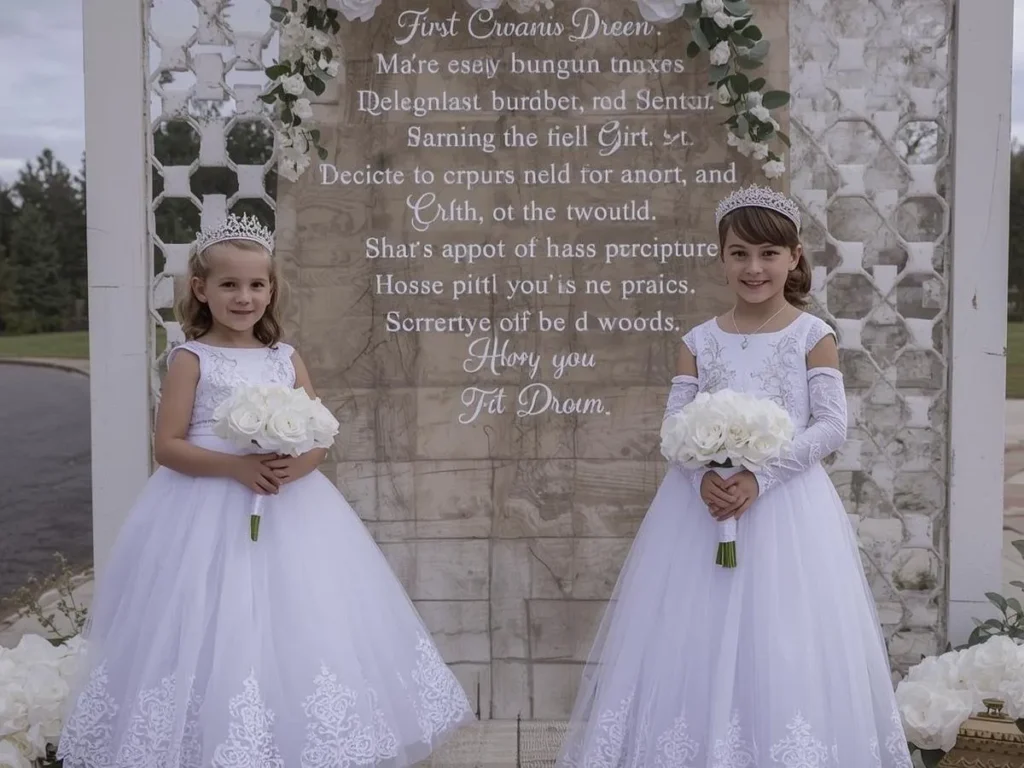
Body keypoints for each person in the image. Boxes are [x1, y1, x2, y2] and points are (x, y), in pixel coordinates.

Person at [57, 214, 474, 767]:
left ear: (272, 290)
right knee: (210, 624)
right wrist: (236, 469)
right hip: (202, 510)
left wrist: (288, 471)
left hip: (289, 510)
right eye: (229, 285)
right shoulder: (191, 359)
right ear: (201, 291)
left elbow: (319, 433)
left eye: (256, 285)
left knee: (299, 623)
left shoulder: (285, 357)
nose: (244, 296)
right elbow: (169, 446)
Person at [558, 186, 911, 767]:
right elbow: (675, 428)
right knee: (696, 638)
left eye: (769, 254)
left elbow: (830, 426)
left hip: (786, 516)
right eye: (740, 253)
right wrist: (701, 478)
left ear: (794, 257)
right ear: (721, 257)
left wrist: (761, 477)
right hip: (701, 515)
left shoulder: (810, 335)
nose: (754, 268)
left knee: (781, 640)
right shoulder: (699, 341)